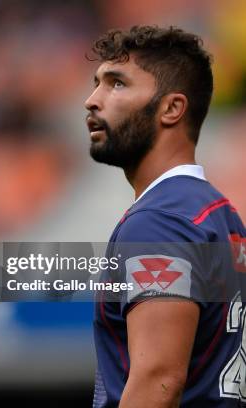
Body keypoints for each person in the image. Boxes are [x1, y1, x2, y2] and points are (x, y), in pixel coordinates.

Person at [85, 25, 246, 407]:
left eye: (117, 84)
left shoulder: (160, 221)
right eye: (96, 83)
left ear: (171, 109)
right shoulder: (218, 215)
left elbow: (160, 380)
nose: (92, 100)